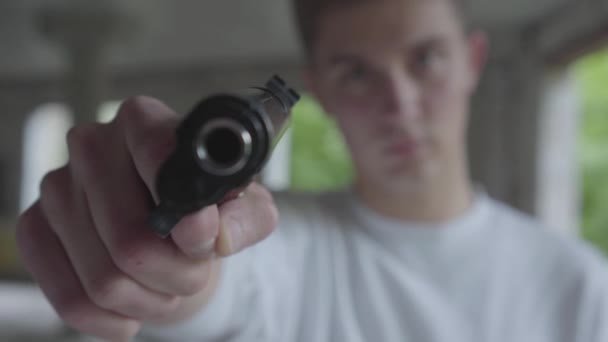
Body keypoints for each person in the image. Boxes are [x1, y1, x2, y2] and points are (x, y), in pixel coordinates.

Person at [15, 0, 608, 341]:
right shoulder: (279, 245)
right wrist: (170, 271)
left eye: (425, 59)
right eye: (356, 73)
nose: (398, 102)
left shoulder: (583, 286)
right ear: (320, 88)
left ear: (471, 60)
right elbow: (220, 289)